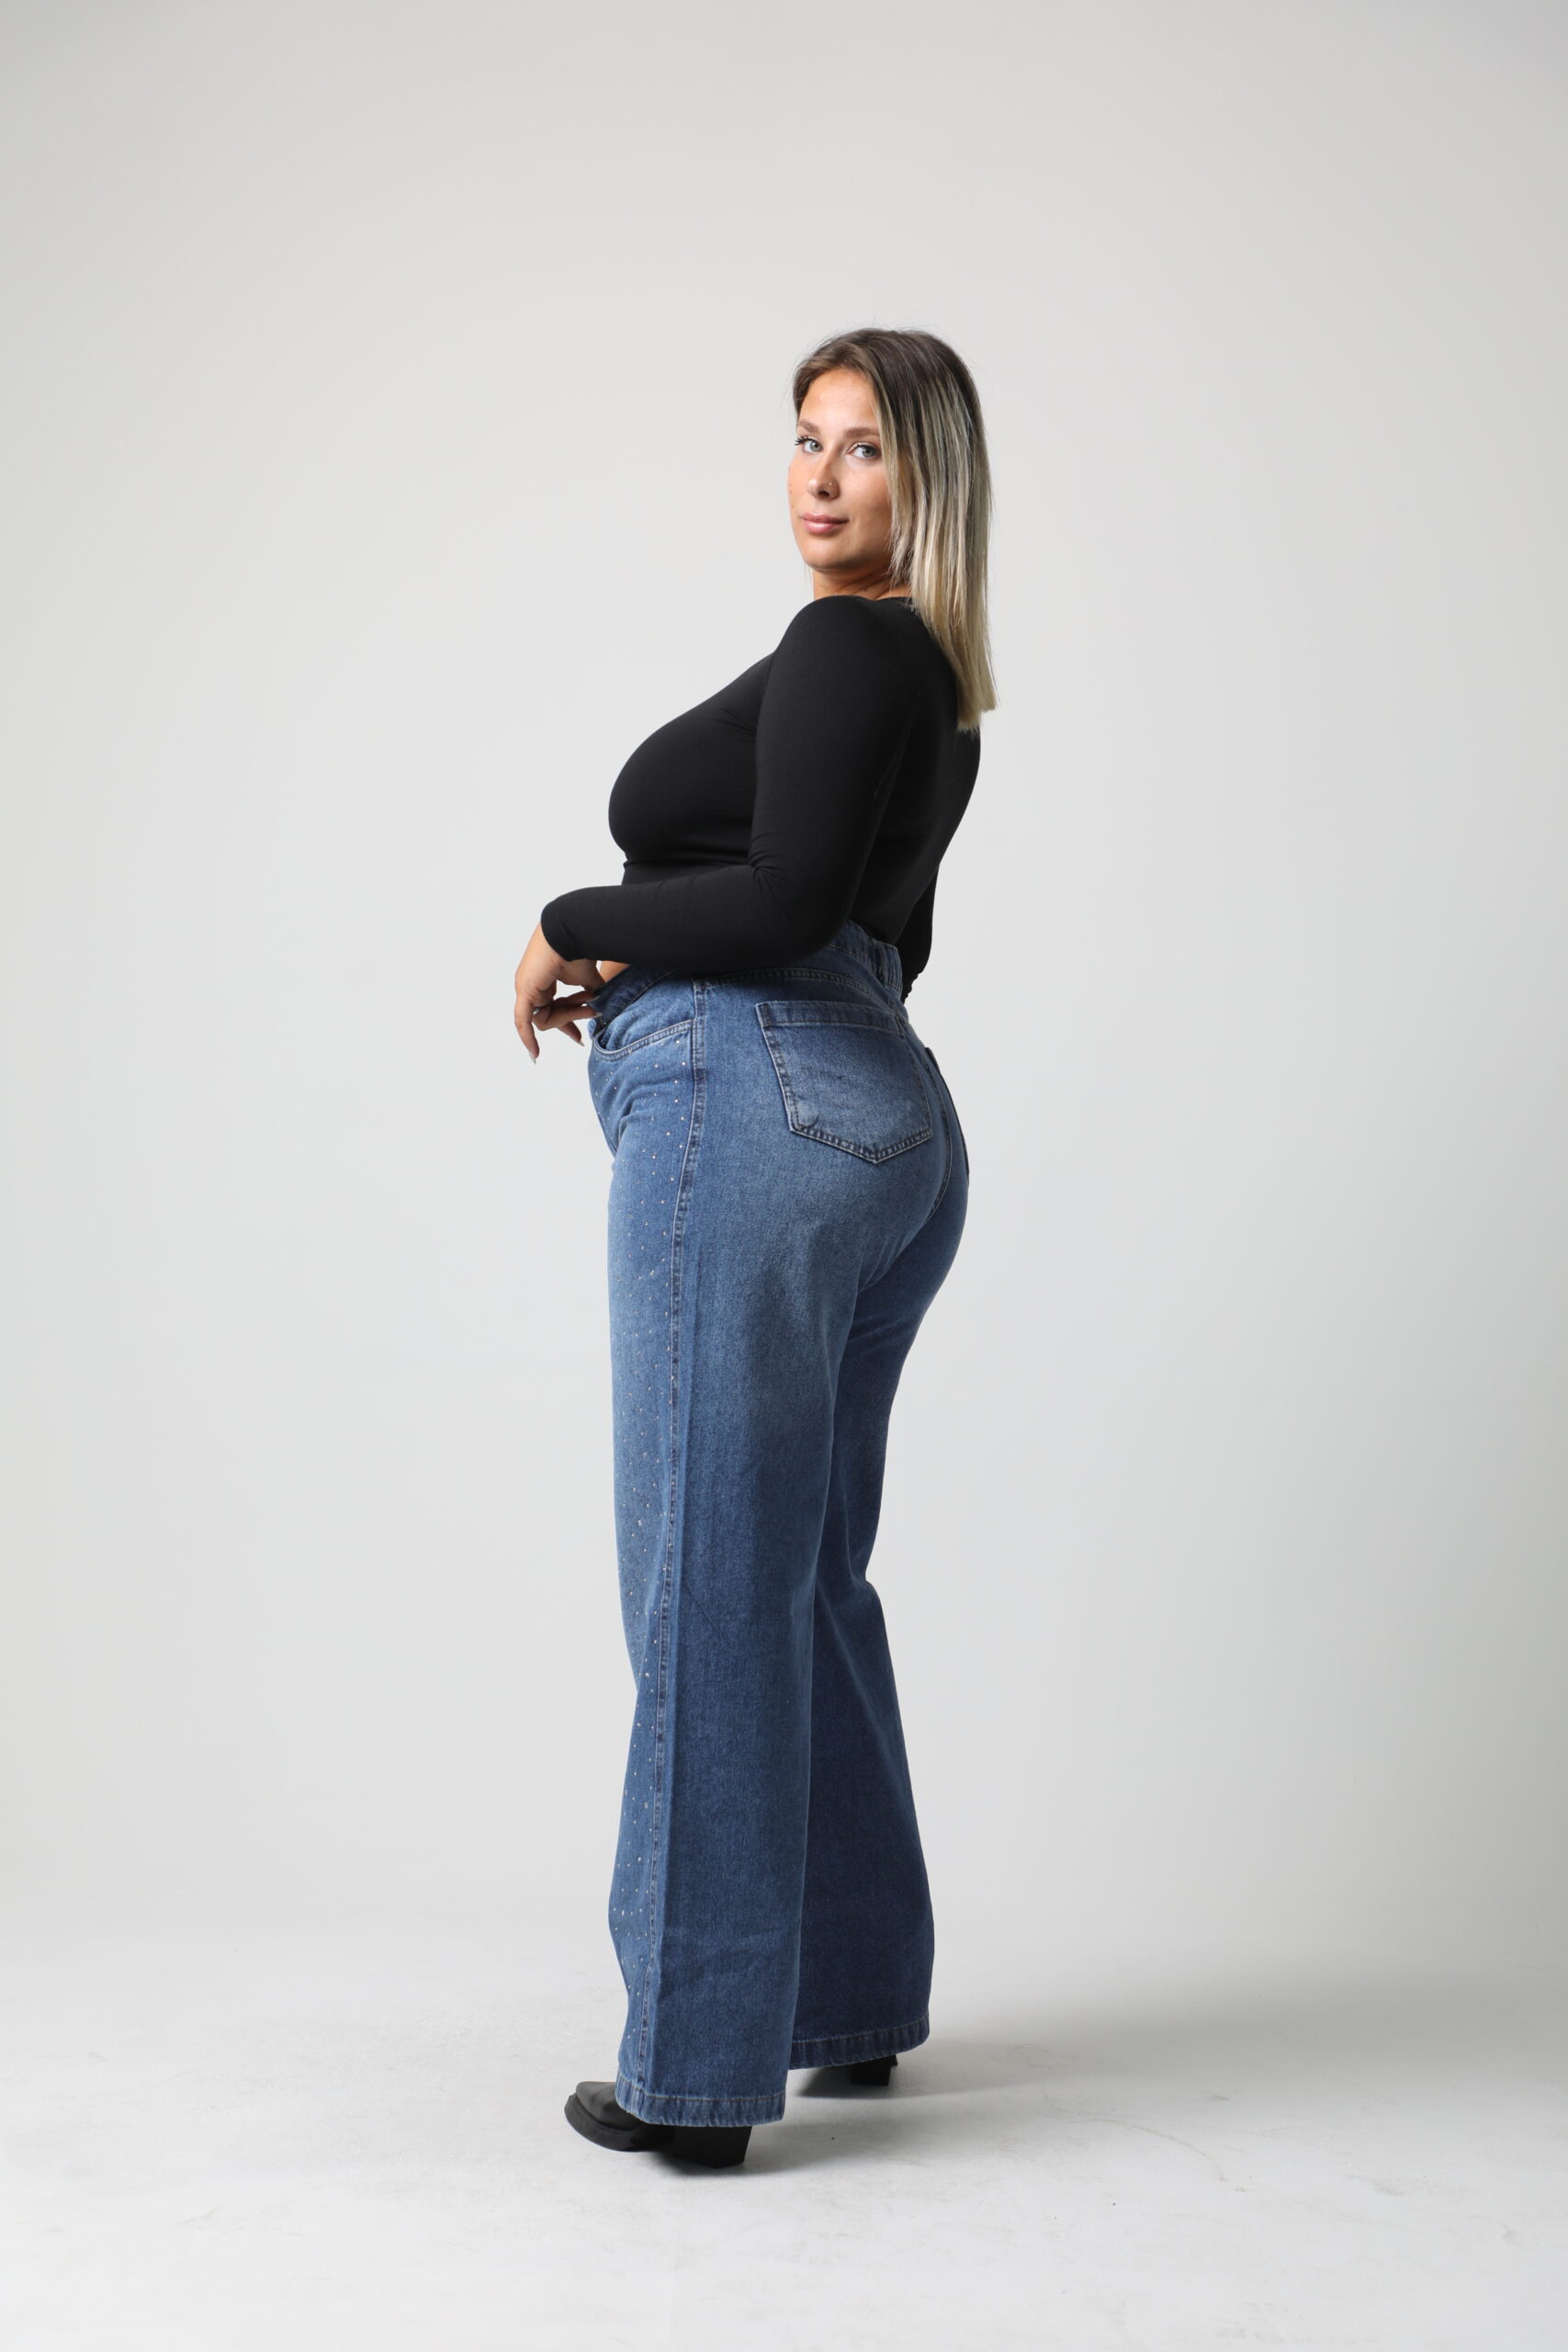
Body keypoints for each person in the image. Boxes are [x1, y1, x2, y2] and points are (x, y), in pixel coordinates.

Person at [513, 327, 994, 2168]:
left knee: (710, 1567)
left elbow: (784, 909)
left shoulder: (844, 645)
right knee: (798, 1570)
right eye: (804, 437)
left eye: (863, 448)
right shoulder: (935, 688)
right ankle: (849, 1996)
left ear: (926, 483)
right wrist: (673, 950)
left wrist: (576, 915)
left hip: (757, 1095)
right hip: (888, 1123)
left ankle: (696, 2070)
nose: (818, 475)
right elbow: (875, 938)